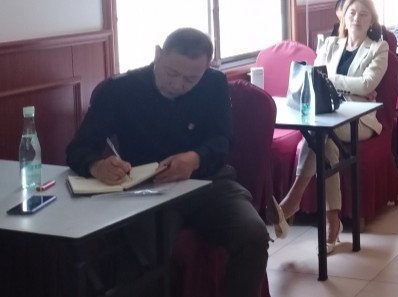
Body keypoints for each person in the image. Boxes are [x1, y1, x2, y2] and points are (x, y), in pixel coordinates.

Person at [65, 28, 268, 297]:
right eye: (172, 73)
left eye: (191, 78)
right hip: (148, 190)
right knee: (149, 256)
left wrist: (195, 158)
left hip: (208, 183)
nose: (179, 84)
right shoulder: (121, 90)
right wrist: (97, 166)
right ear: (158, 54)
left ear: (206, 68)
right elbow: (79, 148)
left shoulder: (213, 84)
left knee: (253, 235)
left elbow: (223, 139)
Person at [268, 0, 388, 253]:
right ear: (343, 17)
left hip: (360, 118)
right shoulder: (330, 44)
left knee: (318, 135)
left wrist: (331, 79)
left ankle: (292, 200)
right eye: (352, 13)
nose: (356, 18)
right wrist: (348, 84)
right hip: (327, 113)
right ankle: (332, 221)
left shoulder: (378, 48)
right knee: (323, 140)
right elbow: (315, 78)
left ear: (371, 21)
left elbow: (367, 84)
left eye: (363, 14)